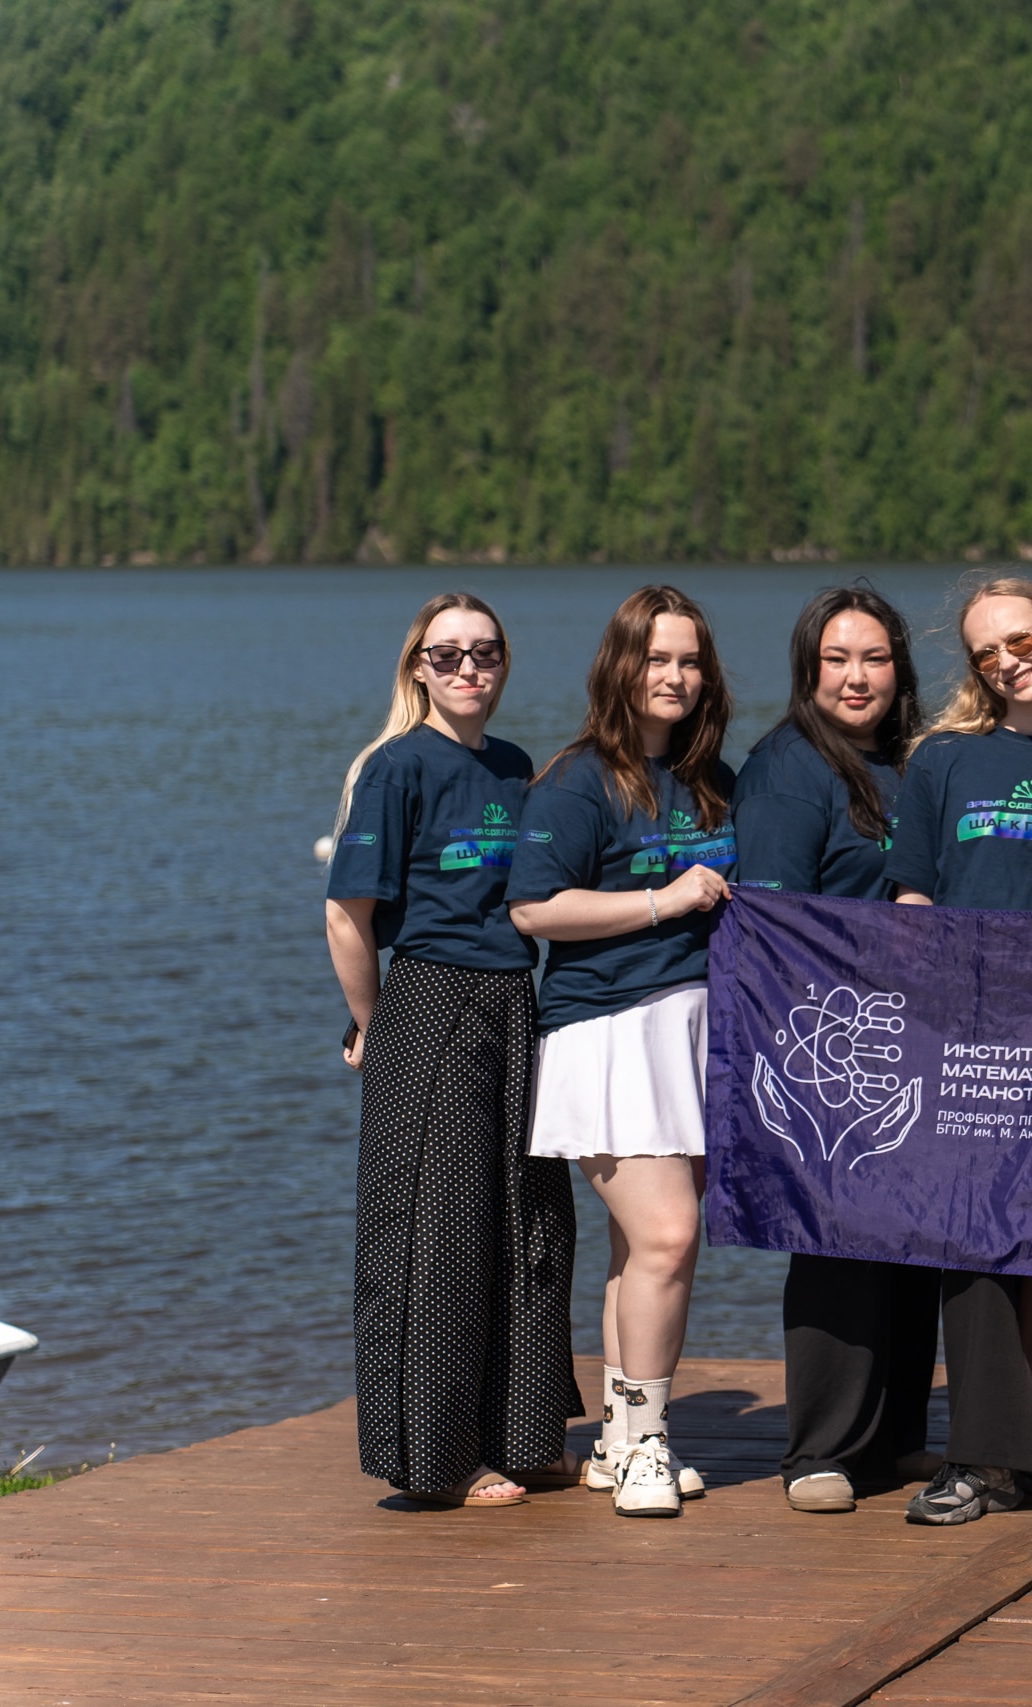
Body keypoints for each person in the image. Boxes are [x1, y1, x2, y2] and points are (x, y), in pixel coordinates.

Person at [326, 593, 581, 1511]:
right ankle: (437, 1455)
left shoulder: (515, 766)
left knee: (530, 1216)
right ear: (419, 667)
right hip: (429, 997)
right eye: (448, 654)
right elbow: (347, 915)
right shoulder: (396, 767)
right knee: (439, 1231)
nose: (469, 667)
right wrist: (373, 1024)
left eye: (486, 651)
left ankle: (526, 1434)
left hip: (514, 999)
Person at [881, 578, 1032, 1525]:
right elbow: (911, 896)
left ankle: (1024, 1450)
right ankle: (979, 1451)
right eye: (987, 651)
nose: (1007, 660)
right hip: (967, 1038)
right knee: (974, 1243)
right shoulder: (942, 760)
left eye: (1021, 640)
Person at [507, 586, 738, 1519]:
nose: (674, 675)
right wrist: (662, 901)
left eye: (689, 660)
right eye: (656, 658)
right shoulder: (577, 780)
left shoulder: (710, 777)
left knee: (638, 1247)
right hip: (607, 1029)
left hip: (694, 1029)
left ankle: (616, 1439)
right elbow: (535, 908)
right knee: (668, 1236)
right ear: (620, 665)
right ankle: (646, 1442)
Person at [732, 586, 944, 1515]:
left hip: (914, 1029)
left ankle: (895, 1435)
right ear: (807, 669)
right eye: (836, 659)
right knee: (837, 1240)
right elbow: (775, 920)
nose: (857, 678)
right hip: (825, 1036)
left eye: (875, 658)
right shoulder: (787, 768)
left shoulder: (915, 757)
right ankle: (820, 1447)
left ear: (900, 667)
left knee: (911, 1236)